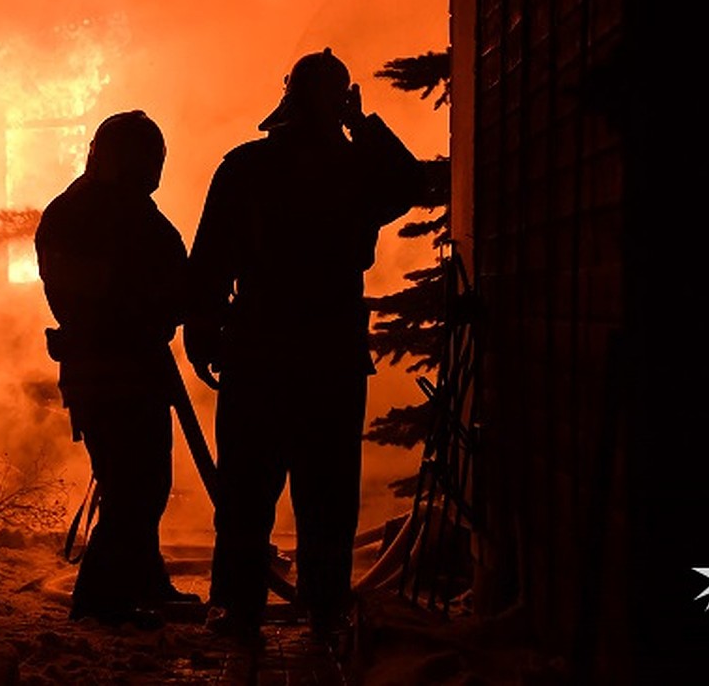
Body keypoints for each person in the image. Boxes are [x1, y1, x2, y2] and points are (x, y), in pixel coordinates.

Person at [185, 48, 438, 643]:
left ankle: (237, 608)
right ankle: (324, 608)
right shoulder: (354, 169)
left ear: (286, 96)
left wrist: (202, 331)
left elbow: (211, 260)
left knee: (247, 486)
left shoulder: (245, 166)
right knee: (327, 488)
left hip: (259, 346)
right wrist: (362, 124)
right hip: (329, 349)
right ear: (338, 100)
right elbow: (412, 182)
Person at [35, 110, 197, 627]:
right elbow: (98, 295)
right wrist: (162, 303)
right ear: (118, 158)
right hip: (108, 368)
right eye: (149, 159)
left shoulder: (122, 208)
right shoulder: (81, 215)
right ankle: (101, 602)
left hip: (134, 366)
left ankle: (144, 582)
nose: (156, 170)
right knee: (134, 484)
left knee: (144, 480)